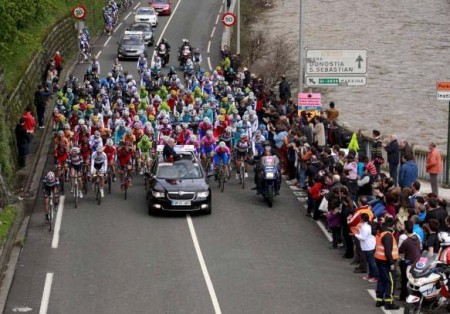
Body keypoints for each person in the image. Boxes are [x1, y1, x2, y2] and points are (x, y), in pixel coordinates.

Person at [374, 216, 400, 310]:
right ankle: (389, 303)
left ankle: (379, 300)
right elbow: (388, 251)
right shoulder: (388, 235)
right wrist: (391, 263)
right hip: (386, 262)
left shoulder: (380, 232)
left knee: (382, 280)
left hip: (379, 259)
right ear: (392, 225)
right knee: (391, 282)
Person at [398, 220, 421, 301]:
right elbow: (420, 248)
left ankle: (404, 297)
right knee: (413, 280)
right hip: (416, 262)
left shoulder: (404, 239)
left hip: (406, 261)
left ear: (406, 229)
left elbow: (400, 251)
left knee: (404, 280)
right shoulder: (417, 236)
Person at [355, 213, 378, 283]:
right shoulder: (367, 225)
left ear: (362, 219)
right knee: (370, 262)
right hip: (369, 246)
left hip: (368, 246)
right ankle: (371, 275)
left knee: (372, 263)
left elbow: (363, 238)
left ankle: (376, 276)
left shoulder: (365, 227)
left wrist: (355, 234)